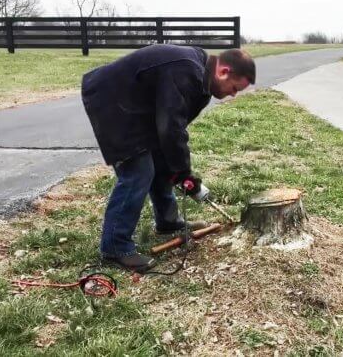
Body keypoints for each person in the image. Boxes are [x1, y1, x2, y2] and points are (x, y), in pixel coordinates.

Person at [81, 44, 255, 273]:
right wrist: (185, 174)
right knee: (138, 172)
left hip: (138, 106)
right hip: (112, 99)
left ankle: (167, 221)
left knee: (162, 161)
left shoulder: (201, 81)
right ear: (223, 72)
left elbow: (172, 132)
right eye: (234, 88)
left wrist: (178, 171)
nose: (232, 94)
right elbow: (171, 129)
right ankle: (115, 246)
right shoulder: (186, 71)